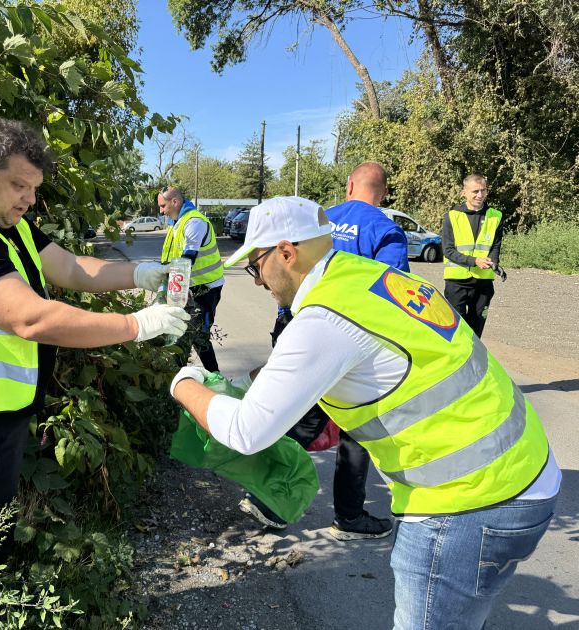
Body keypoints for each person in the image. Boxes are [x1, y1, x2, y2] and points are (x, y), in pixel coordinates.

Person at [170, 196, 560, 629]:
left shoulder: (323, 319)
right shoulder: (371, 278)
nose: (258, 281)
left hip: (467, 502)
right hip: (528, 474)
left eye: (256, 265)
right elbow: (337, 357)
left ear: (286, 252)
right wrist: (251, 382)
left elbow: (246, 432)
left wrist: (184, 382)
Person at [0, 116, 189, 543]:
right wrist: (136, 324)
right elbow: (32, 318)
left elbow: (69, 266)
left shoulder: (2, 220)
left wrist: (139, 273)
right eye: (20, 186)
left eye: (34, 189)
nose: (30, 200)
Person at [240, 164, 406, 539]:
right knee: (357, 429)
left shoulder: (320, 220)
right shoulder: (384, 229)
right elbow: (392, 290)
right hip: (355, 338)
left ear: (349, 185)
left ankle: (268, 497)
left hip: (299, 326)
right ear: (382, 191)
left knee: (304, 417)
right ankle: (348, 517)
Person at [157, 187, 224, 372]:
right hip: (188, 286)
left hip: (206, 288)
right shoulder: (175, 223)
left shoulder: (195, 222)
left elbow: (187, 259)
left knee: (199, 334)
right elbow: (171, 257)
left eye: (163, 206)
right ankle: (176, 372)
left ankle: (215, 375)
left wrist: (169, 288)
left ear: (175, 202)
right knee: (182, 329)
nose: (161, 211)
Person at [442, 174, 503, 337]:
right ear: (464, 193)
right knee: (456, 332)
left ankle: (473, 362)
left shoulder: (495, 216)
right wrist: (474, 261)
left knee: (475, 333)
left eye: (483, 191)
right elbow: (448, 251)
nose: (480, 195)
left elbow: (495, 246)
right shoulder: (452, 216)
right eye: (475, 191)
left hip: (483, 283)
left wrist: (494, 263)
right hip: (457, 283)